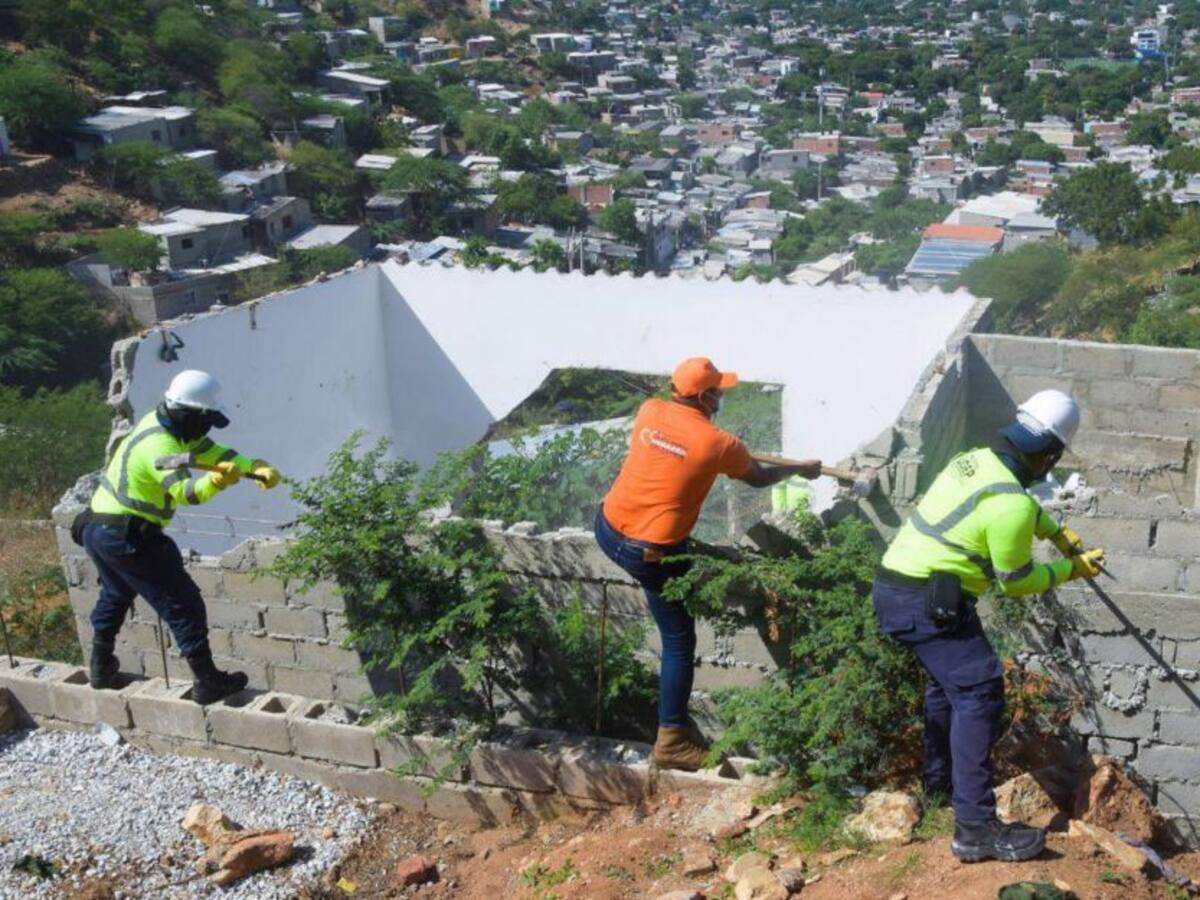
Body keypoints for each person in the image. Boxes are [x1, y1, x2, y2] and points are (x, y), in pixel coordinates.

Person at [873, 389, 1105, 863]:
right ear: (1051, 454)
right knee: (979, 691)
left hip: (901, 587)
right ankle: (975, 828)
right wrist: (1071, 569)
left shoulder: (974, 460)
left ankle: (939, 785)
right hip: (925, 602)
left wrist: (1056, 532)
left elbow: (1010, 498)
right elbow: (1016, 582)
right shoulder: (1012, 507)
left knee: (949, 687)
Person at [595, 357, 821, 771]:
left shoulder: (650, 411)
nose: (721, 397)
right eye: (718, 391)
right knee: (679, 641)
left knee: (679, 551)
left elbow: (677, 455)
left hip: (608, 527)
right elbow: (756, 477)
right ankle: (672, 741)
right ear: (703, 396)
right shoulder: (718, 444)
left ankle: (693, 560)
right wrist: (799, 471)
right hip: (648, 551)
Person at [78, 370, 283, 705]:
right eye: (205, 420)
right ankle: (207, 682)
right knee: (182, 602)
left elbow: (213, 453)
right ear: (191, 415)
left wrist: (253, 468)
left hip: (99, 528)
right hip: (126, 535)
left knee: (116, 594)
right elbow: (186, 492)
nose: (206, 429)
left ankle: (101, 666)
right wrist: (218, 483)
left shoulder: (167, 424)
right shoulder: (159, 444)